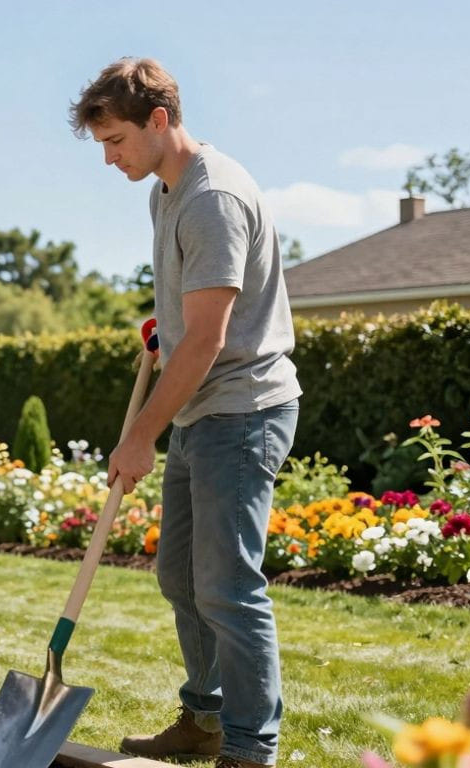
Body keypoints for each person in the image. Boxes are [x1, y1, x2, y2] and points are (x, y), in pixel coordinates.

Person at [69, 58, 302, 768]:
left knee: (228, 586)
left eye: (116, 141)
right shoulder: (165, 192)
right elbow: (192, 317)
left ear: (160, 120)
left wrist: (140, 435)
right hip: (203, 409)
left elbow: (207, 340)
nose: (109, 158)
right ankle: (205, 719)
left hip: (243, 408)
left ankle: (249, 746)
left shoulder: (212, 198)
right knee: (179, 576)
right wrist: (163, 329)